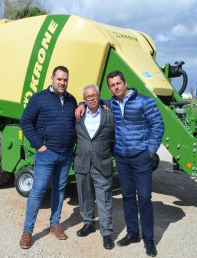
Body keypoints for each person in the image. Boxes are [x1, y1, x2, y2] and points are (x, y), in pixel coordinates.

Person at [75, 70, 164, 257]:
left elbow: (158, 125)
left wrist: (150, 151)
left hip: (141, 156)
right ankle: (133, 233)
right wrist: (82, 103)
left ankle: (149, 240)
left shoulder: (144, 101)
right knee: (128, 197)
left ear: (125, 83)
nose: (116, 87)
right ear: (110, 88)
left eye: (118, 83)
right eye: (112, 85)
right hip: (122, 158)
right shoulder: (112, 103)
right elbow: (93, 101)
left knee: (145, 198)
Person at [19, 66, 78, 249]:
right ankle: (28, 232)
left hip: (65, 153)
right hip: (47, 154)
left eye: (65, 79)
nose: (62, 83)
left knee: (59, 190)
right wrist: (39, 145)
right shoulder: (39, 98)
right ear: (52, 78)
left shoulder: (71, 100)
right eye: (59, 79)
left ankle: (54, 224)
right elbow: (25, 122)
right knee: (38, 191)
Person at [74, 84, 115, 250]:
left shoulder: (108, 115)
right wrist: (80, 105)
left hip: (102, 163)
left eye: (94, 95)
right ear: (84, 99)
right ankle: (88, 223)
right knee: (85, 196)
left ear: (99, 96)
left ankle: (106, 233)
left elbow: (114, 137)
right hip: (82, 162)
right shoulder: (78, 115)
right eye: (88, 97)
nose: (91, 98)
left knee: (104, 198)